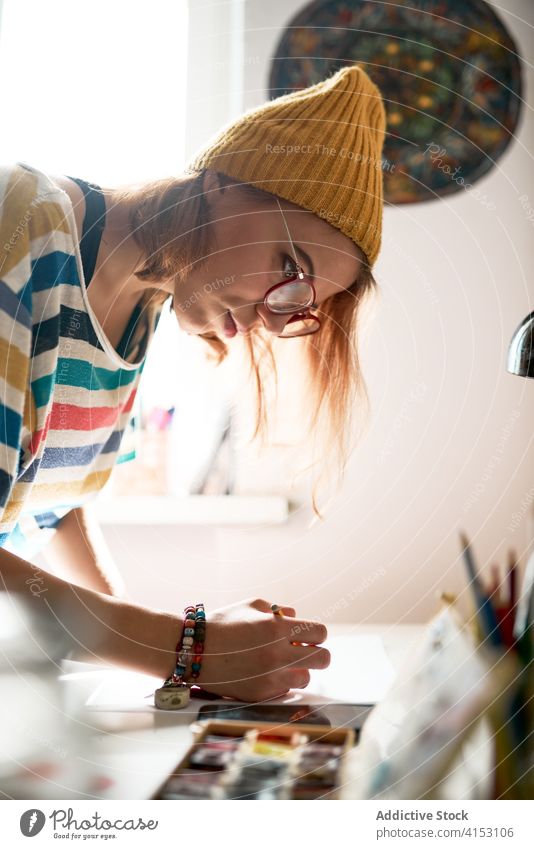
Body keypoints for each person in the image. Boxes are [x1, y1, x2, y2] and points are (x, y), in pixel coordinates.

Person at [0, 65, 386, 701]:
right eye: (290, 266)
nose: (273, 313)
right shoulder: (23, 219)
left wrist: (171, 662)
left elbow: (53, 508)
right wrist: (181, 648)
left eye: (301, 305)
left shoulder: (140, 314)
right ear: (222, 183)